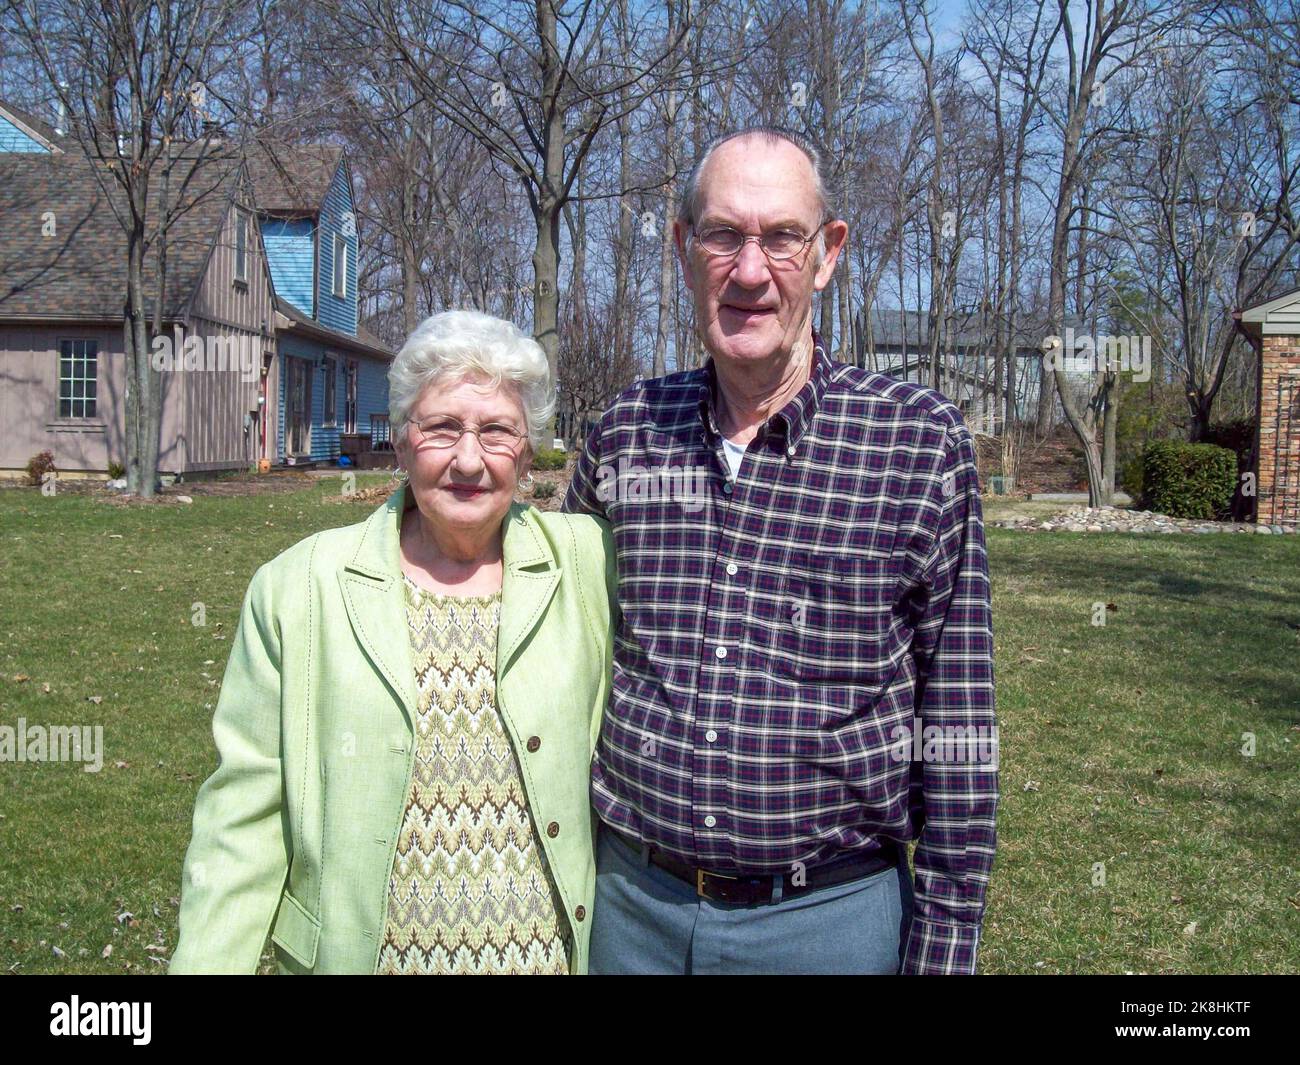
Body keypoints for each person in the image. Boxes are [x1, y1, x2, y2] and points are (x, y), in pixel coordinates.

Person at [562, 126, 999, 975]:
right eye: (724, 234)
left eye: (783, 238)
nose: (751, 271)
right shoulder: (625, 435)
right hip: (628, 913)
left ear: (828, 253)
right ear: (686, 251)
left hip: (827, 925)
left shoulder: (916, 444)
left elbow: (961, 722)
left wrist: (944, 951)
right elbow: (536, 627)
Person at [171, 310, 615, 974]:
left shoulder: (586, 565)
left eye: (496, 430)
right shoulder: (300, 588)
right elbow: (242, 821)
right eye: (441, 428)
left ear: (527, 451)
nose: (469, 458)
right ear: (403, 442)